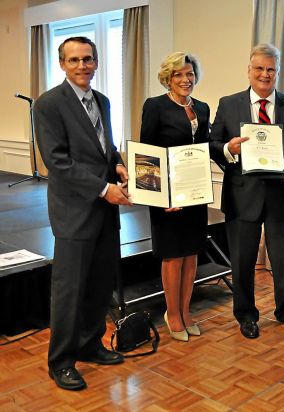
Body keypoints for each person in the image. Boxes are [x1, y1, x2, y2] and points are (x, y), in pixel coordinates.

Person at [34, 36, 132, 390]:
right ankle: (61, 361)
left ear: (96, 62)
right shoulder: (48, 104)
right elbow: (57, 162)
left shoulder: (102, 101)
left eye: (88, 59)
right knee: (69, 291)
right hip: (76, 211)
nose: (82, 66)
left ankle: (90, 345)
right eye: (74, 60)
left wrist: (118, 165)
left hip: (105, 214)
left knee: (99, 285)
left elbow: (106, 145)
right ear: (62, 64)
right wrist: (105, 189)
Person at [209, 44, 284, 339]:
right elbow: (213, 144)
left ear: (277, 72)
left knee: (283, 260)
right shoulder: (228, 103)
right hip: (242, 194)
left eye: (271, 69)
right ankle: (246, 314)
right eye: (259, 68)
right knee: (241, 260)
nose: (265, 74)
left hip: (281, 195)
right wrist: (228, 149)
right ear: (249, 71)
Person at [140, 52, 210, 341]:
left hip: (194, 192)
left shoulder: (203, 108)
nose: (185, 79)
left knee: (191, 252)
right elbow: (147, 155)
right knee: (172, 255)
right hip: (167, 196)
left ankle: (185, 310)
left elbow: (206, 147)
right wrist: (160, 197)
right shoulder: (155, 106)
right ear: (168, 78)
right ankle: (172, 313)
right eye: (179, 74)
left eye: (190, 74)